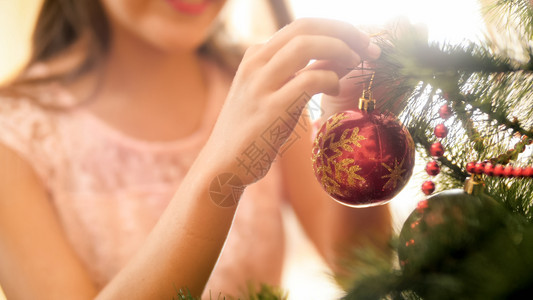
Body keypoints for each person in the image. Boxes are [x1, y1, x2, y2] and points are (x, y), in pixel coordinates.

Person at [0, 0, 391, 298]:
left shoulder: (260, 82)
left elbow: (359, 271)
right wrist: (223, 175)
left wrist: (350, 132)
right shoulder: (13, 136)